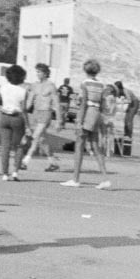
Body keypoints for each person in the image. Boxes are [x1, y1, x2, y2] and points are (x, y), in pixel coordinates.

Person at [61, 59, 114, 189]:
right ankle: (105, 178)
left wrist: (79, 120)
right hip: (96, 114)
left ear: (85, 70)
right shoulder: (101, 85)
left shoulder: (84, 84)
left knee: (79, 145)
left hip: (88, 113)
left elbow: (83, 103)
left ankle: (75, 179)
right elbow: (102, 104)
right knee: (95, 146)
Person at [0, 64, 29, 181]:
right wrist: (28, 125)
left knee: (5, 146)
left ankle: (4, 173)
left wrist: (3, 109)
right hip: (17, 117)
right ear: (21, 77)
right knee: (19, 146)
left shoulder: (2, 87)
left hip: (4, 117)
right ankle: (15, 172)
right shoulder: (23, 91)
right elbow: (24, 110)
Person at [19, 63, 60, 173]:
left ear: (46, 73)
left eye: (39, 72)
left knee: (34, 137)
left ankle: (25, 161)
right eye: (36, 72)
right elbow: (28, 103)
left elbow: (56, 103)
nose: (37, 74)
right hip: (36, 113)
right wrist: (21, 109)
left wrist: (59, 121)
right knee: (42, 140)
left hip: (46, 113)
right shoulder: (34, 85)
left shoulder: (51, 86)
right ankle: (53, 163)